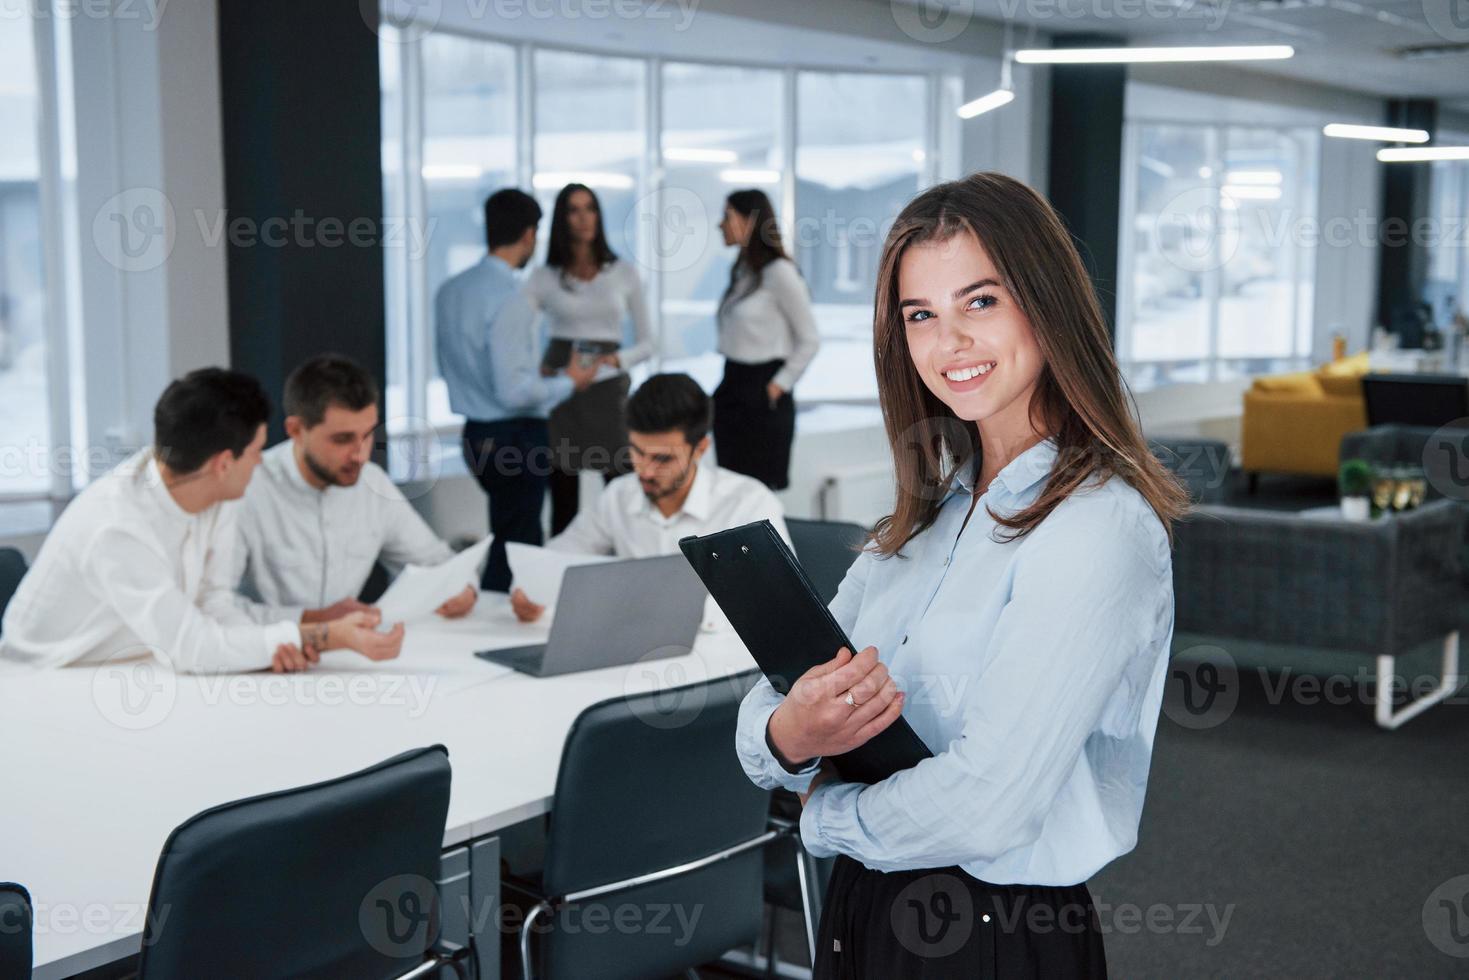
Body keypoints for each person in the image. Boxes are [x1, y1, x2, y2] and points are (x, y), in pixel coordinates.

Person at [734, 172, 1188, 977]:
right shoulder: (929, 515)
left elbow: (989, 806)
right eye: (921, 316)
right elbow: (769, 704)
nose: (950, 344)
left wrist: (821, 817)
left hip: (991, 930)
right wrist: (791, 734)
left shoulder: (1097, 528)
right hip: (862, 902)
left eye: (980, 302)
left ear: (1045, 305)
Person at [0, 368, 404, 674]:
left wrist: (271, 645)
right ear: (224, 463)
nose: (262, 461)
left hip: (135, 665)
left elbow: (215, 608)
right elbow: (192, 647)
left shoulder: (216, 491)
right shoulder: (115, 526)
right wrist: (324, 637)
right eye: (257, 451)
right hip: (48, 683)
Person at [509, 372, 788, 623]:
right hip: (630, 659)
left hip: (725, 661)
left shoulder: (749, 503)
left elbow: (779, 602)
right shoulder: (619, 495)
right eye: (637, 452)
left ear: (700, 448)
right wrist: (530, 589)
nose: (645, 469)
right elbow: (558, 556)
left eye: (662, 458)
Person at [436, 189, 601, 592]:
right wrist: (569, 382)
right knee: (518, 553)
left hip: (476, 434)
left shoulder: (451, 290)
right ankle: (501, 634)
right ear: (529, 234)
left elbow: (462, 365)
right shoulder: (511, 298)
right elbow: (513, 392)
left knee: (506, 538)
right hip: (516, 436)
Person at [232, 354, 476, 623]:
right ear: (296, 430)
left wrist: (463, 589)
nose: (360, 455)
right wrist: (312, 619)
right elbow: (214, 606)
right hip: (262, 657)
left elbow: (437, 561)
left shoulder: (373, 484)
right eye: (342, 439)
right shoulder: (246, 488)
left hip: (347, 656)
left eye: (368, 434)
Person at [527, 183, 654, 535]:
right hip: (561, 391)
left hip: (607, 389)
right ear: (562, 219)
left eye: (590, 208)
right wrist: (537, 367)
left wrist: (617, 360)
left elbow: (648, 343)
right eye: (573, 210)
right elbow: (516, 328)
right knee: (563, 499)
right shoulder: (544, 276)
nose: (583, 218)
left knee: (622, 491)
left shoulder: (623, 272)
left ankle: (629, 566)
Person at [712, 189, 821, 491]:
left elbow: (810, 339)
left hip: (762, 394)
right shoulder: (745, 271)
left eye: (726, 216)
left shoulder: (779, 272)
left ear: (749, 222)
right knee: (729, 494)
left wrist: (776, 386)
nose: (719, 224)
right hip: (732, 386)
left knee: (756, 497)